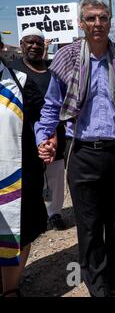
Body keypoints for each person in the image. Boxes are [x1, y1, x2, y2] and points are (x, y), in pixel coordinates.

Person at [35, 0, 115, 297]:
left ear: (110, 22)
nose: (97, 24)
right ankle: (96, 282)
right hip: (82, 152)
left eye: (103, 18)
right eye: (91, 18)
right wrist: (43, 136)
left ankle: (112, 272)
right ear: (81, 23)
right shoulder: (67, 58)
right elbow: (52, 105)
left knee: (114, 219)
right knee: (89, 222)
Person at [0, 34, 47, 297]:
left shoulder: (20, 81)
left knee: (23, 227)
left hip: (19, 172)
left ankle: (11, 288)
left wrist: (46, 140)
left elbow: (42, 119)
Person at [9, 27, 67, 231]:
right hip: (21, 135)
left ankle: (55, 213)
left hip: (53, 133)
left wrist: (52, 133)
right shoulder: (11, 70)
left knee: (55, 176)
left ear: (44, 46)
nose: (34, 46)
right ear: (22, 45)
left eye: (38, 43)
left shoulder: (54, 72)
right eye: (29, 42)